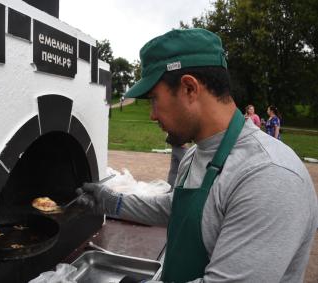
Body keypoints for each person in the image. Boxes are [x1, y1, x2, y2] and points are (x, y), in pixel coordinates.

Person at [77, 28, 317, 282]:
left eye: (154, 99)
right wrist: (110, 201)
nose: (152, 115)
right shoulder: (194, 156)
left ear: (190, 88)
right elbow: (175, 209)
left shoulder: (269, 176)